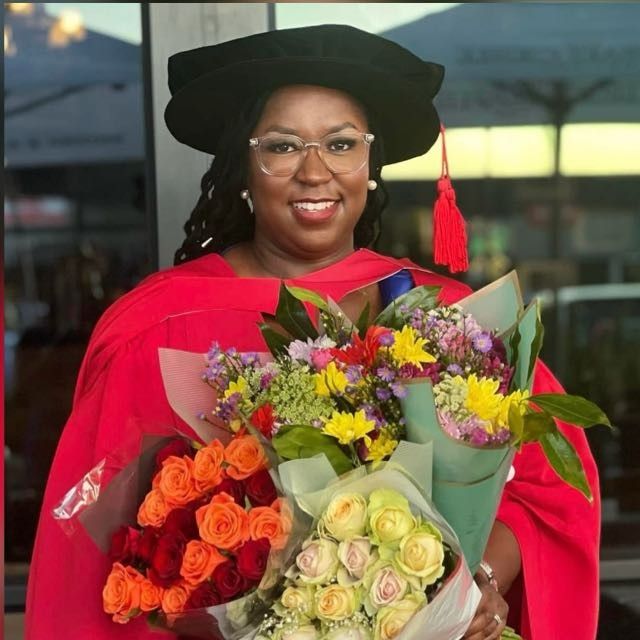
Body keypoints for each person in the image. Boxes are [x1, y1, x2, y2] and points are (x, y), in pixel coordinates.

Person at [26, 25, 600, 640]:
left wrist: (479, 579)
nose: (315, 171)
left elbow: (552, 494)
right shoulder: (158, 325)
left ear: (369, 164)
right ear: (243, 167)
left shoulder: (447, 320)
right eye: (282, 146)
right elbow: (94, 563)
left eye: (342, 143)